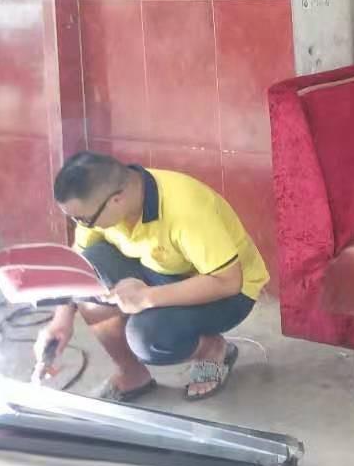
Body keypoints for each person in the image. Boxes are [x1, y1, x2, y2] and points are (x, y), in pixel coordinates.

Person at [35, 152, 269, 402]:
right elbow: (80, 263)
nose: (82, 225)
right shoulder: (103, 202)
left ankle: (211, 349)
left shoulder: (185, 209)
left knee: (147, 337)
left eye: (84, 219)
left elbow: (228, 282)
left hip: (228, 292)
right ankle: (132, 373)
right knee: (91, 278)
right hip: (162, 272)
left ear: (116, 200)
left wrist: (147, 297)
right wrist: (62, 319)